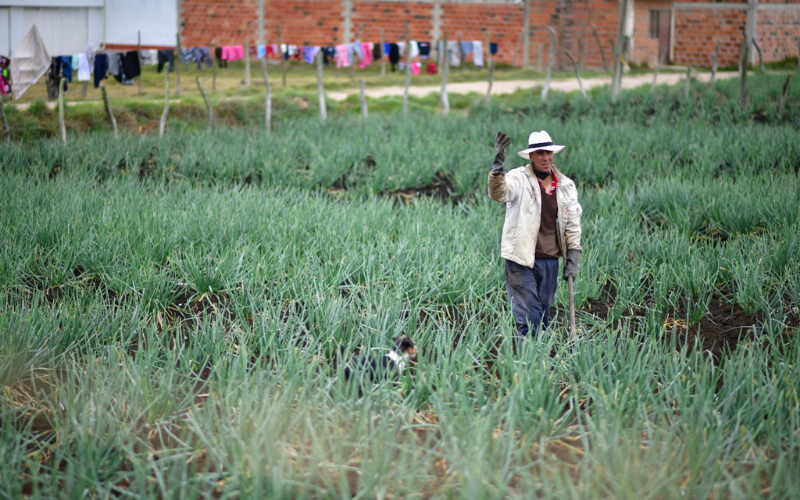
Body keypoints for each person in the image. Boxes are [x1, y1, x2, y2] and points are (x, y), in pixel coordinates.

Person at [488, 130, 583, 338]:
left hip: (550, 261)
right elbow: (499, 193)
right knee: (531, 318)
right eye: (540, 153)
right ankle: (524, 366)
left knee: (543, 318)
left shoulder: (566, 186)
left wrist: (573, 255)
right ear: (531, 156)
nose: (545, 158)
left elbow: (573, 224)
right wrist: (498, 167)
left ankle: (539, 365)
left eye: (548, 152)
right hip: (521, 259)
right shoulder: (518, 178)